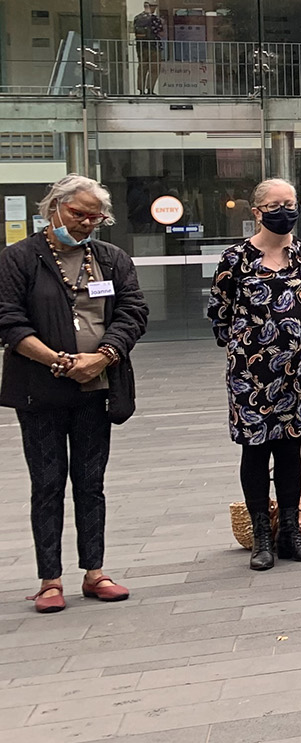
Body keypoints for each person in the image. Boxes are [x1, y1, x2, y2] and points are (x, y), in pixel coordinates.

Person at [0, 176, 148, 612]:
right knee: (46, 483)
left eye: (94, 216)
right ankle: (50, 579)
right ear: (54, 209)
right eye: (78, 213)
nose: (86, 223)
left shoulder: (110, 258)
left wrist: (102, 357)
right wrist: (56, 360)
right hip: (39, 389)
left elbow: (133, 311)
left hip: (97, 387)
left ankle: (95, 572)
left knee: (91, 482)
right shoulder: (19, 258)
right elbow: (8, 320)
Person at [206, 178, 301, 571]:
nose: (285, 211)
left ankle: (291, 532)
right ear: (257, 211)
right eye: (275, 205)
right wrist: (255, 343)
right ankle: (262, 535)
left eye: (290, 203)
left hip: (299, 372)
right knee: (256, 450)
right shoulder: (235, 259)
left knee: (292, 450)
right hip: (250, 374)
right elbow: (219, 316)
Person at [131, 0, 165, 96]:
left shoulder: (137, 18)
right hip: (154, 46)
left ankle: (141, 90)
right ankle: (150, 90)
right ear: (152, 7)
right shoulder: (155, 19)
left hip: (141, 46)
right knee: (154, 68)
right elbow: (161, 33)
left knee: (142, 68)